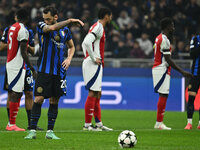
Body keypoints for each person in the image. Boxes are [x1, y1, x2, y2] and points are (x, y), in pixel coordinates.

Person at [25, 6, 84, 139]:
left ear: (56, 17)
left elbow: (72, 46)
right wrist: (70, 20)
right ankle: (32, 131)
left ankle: (50, 132)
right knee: (39, 99)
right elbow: (51, 28)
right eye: (45, 19)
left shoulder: (66, 31)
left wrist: (69, 58)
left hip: (59, 71)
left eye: (49, 19)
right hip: (44, 70)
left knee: (54, 100)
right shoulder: (41, 25)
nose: (46, 21)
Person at [0, 20, 43, 131]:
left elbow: (32, 50)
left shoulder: (28, 31)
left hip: (26, 67)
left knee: (29, 93)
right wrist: (14, 42)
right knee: (11, 93)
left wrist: (27, 46)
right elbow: (1, 46)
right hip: (13, 65)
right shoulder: (8, 30)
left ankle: (31, 124)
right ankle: (11, 122)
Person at [152, 17, 192, 130]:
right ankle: (159, 123)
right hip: (162, 69)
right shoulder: (164, 39)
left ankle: (158, 122)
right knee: (163, 95)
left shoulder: (159, 37)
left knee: (163, 95)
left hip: (159, 68)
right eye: (172, 25)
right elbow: (168, 60)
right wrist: (182, 71)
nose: (173, 28)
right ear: (167, 27)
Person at [5, 8, 37, 131]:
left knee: (16, 93)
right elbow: (24, 52)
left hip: (11, 62)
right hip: (17, 65)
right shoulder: (23, 30)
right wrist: (32, 68)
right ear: (27, 18)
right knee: (16, 93)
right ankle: (11, 124)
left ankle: (11, 123)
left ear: (17, 17)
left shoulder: (12, 27)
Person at [82, 7, 113, 131]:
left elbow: (85, 43)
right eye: (110, 16)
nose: (111, 18)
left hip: (95, 63)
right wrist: (92, 57)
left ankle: (98, 124)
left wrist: (88, 56)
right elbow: (86, 41)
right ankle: (87, 125)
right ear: (106, 16)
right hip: (93, 63)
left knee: (98, 93)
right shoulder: (98, 27)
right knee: (92, 92)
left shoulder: (97, 27)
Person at [184, 34, 200, 130]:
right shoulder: (195, 39)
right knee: (191, 98)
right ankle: (189, 123)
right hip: (195, 73)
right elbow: (192, 54)